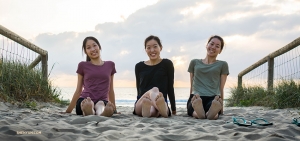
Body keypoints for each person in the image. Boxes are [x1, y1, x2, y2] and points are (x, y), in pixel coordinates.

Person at [65, 36, 117, 117]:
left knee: (100, 104)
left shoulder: (110, 65)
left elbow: (111, 90)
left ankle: (102, 113)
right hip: (85, 100)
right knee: (89, 103)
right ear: (86, 52)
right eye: (88, 48)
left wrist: (114, 109)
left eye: (94, 45)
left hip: (103, 101)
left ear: (99, 47)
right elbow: (78, 90)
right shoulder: (82, 65)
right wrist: (68, 111)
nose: (92, 49)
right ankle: (89, 111)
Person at [187, 35, 229, 120]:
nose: (213, 47)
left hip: (213, 98)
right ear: (207, 45)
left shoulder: (223, 65)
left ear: (220, 51)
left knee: (213, 108)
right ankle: (206, 114)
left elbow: (221, 88)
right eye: (211, 44)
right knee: (194, 107)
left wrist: (221, 108)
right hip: (196, 97)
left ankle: (203, 114)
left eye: (217, 46)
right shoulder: (194, 62)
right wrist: (190, 97)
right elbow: (192, 85)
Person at [133, 35, 176, 118]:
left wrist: (174, 109)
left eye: (155, 47)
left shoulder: (167, 64)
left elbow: (170, 87)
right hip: (143, 101)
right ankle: (163, 111)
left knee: (152, 110)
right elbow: (138, 88)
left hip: (160, 102)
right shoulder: (139, 66)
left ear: (161, 48)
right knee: (154, 90)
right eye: (148, 47)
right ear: (145, 50)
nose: (152, 50)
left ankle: (150, 113)